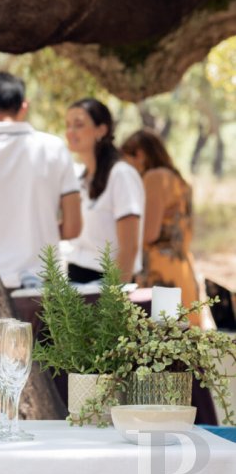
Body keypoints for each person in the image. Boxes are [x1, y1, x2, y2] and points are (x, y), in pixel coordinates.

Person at [0, 73, 81, 291]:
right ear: (24, 106)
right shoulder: (55, 149)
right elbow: (73, 228)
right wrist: (35, 230)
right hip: (43, 285)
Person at [121, 129, 200, 325]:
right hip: (182, 270)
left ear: (140, 155)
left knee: (162, 338)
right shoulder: (179, 180)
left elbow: (149, 234)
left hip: (160, 274)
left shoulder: (155, 177)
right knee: (183, 339)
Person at [63, 98, 143, 283]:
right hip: (76, 280)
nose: (70, 132)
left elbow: (129, 248)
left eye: (78, 125)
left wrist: (112, 295)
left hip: (105, 282)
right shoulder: (81, 178)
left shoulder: (121, 175)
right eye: (67, 125)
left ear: (101, 130)